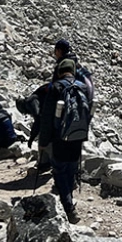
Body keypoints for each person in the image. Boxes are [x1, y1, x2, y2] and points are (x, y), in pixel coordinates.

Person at [38, 58, 90, 223]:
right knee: (71, 169)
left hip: (59, 136)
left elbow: (46, 118)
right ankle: (69, 200)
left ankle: (69, 209)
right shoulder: (83, 87)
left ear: (60, 71)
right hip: (78, 135)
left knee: (59, 170)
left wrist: (43, 141)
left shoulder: (55, 88)